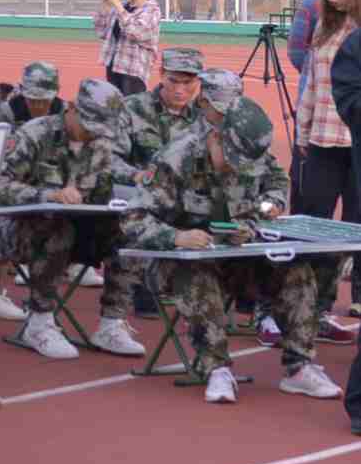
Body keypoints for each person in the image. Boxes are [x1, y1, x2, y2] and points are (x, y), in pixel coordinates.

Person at [124, 98, 332, 404]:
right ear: (215, 136)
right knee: (197, 276)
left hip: (238, 255)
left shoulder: (251, 149)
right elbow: (132, 218)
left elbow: (276, 184)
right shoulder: (176, 158)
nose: (238, 168)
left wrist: (265, 209)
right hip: (178, 262)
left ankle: (299, 368)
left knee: (295, 271)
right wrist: (176, 237)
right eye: (233, 159)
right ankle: (216, 368)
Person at [0, 80, 146, 360]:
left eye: (100, 128)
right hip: (20, 230)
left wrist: (137, 181)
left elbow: (111, 173)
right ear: (72, 108)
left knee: (130, 233)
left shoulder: (100, 141)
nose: (93, 133)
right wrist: (48, 195)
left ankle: (112, 324)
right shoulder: (35, 134)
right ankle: (39, 323)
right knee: (57, 228)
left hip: (79, 227)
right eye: (89, 125)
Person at [292, 0, 360, 226]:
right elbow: (311, 84)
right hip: (322, 140)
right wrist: (302, 132)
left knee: (356, 223)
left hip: (355, 140)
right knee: (313, 218)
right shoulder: (324, 26)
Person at [93, 0, 162, 95]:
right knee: (114, 105)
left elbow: (136, 33)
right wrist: (106, 4)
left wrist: (117, 5)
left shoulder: (152, 9)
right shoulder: (122, 7)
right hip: (113, 67)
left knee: (131, 106)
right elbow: (102, 31)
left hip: (133, 71)